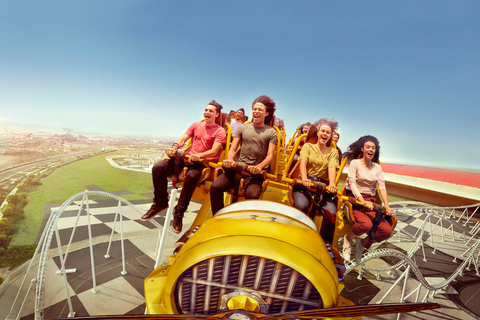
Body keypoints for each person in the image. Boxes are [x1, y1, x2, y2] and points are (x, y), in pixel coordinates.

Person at [142, 100, 227, 234]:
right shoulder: (196, 125)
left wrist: (199, 155)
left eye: (211, 111)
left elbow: (215, 151)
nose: (207, 112)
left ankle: (179, 213)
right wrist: (174, 147)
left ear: (217, 114)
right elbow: (183, 139)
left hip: (202, 163)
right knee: (158, 168)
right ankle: (160, 203)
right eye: (206, 110)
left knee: (192, 176)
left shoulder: (220, 131)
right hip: (187, 158)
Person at [210, 95, 277, 215]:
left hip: (253, 174)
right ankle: (218, 216)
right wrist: (230, 159)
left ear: (266, 113)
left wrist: (259, 167)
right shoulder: (243, 128)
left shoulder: (271, 132)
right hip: (238, 169)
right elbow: (232, 149)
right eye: (254, 109)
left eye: (260, 110)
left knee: (252, 196)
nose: (256, 111)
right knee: (215, 187)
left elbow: (270, 156)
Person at [342, 135, 394, 263]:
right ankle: (347, 239)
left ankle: (362, 244)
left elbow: (382, 186)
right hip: (356, 200)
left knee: (386, 231)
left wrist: (387, 206)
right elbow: (352, 183)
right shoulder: (355, 163)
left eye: (373, 148)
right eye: (368, 147)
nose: (371, 150)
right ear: (362, 149)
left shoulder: (377, 167)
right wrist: (361, 199)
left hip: (370, 201)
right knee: (366, 224)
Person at [292, 118, 339, 244]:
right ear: (318, 133)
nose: (325, 134)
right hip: (306, 181)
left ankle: (325, 245)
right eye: (323, 131)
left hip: (322, 185)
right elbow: (303, 163)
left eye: (328, 133)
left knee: (331, 213)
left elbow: (332, 169)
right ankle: (295, 236)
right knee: (301, 206)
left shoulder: (333, 152)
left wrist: (332, 184)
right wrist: (305, 178)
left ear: (330, 136)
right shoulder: (308, 146)